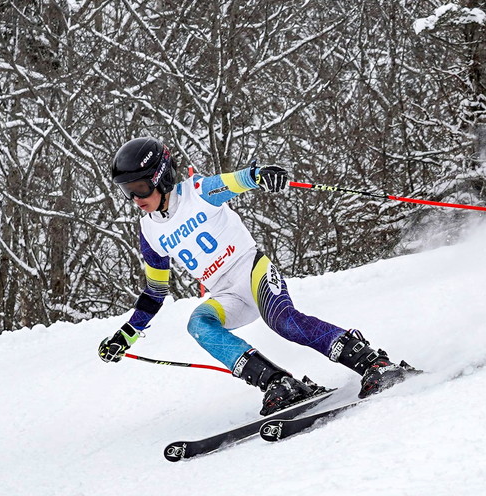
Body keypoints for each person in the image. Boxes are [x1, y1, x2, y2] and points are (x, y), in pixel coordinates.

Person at [97, 136, 411, 415]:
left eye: (140, 187)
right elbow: (155, 292)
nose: (136, 198)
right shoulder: (149, 230)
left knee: (282, 321)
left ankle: (372, 362)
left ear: (161, 178)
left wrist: (261, 176)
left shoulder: (197, 193)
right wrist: (125, 336)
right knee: (198, 324)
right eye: (128, 191)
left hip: (251, 270)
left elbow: (238, 181)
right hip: (226, 294)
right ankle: (279, 384)